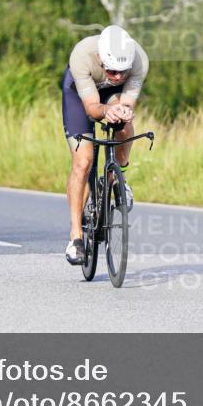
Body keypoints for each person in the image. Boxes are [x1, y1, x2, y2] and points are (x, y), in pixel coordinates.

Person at [61, 25, 149, 265]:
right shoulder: (82, 54)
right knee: (83, 161)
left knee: (126, 125)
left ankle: (118, 176)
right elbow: (91, 107)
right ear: (100, 59)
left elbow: (127, 103)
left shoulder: (139, 60)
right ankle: (76, 237)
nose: (118, 76)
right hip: (81, 96)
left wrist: (121, 111)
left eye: (123, 72)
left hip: (113, 95)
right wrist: (106, 110)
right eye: (112, 71)